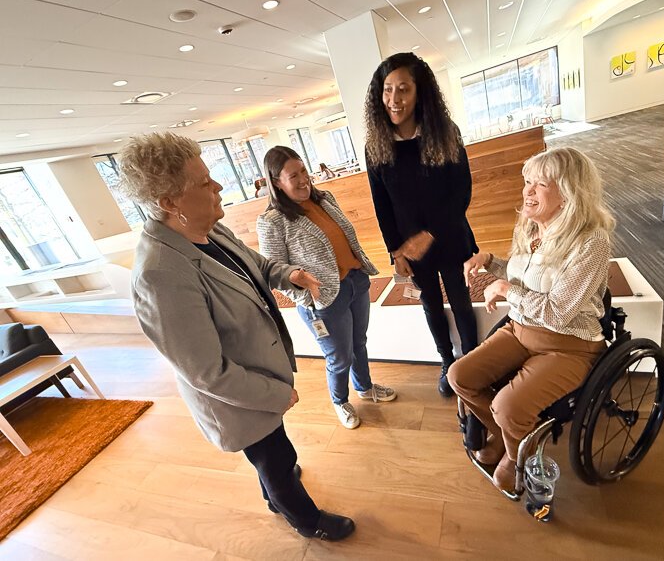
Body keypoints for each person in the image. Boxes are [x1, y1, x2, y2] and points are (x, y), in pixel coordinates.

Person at [119, 132, 355, 541]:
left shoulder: (209, 229)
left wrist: (288, 274)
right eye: (204, 182)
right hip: (237, 396)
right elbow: (207, 372)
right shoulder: (159, 275)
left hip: (257, 375)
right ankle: (305, 519)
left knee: (274, 454)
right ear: (169, 202)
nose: (219, 187)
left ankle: (274, 493)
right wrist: (274, 394)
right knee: (275, 456)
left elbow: (257, 266)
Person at [447, 146, 615, 498]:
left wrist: (506, 289)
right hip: (520, 329)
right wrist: (491, 261)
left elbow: (558, 312)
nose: (527, 191)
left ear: (570, 191)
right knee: (459, 376)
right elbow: (527, 275)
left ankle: (514, 451)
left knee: (507, 406)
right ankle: (513, 441)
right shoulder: (530, 226)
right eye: (527, 181)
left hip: (568, 344)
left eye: (540, 184)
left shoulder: (592, 241)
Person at [256, 146, 396, 430]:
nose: (303, 179)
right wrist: (307, 297)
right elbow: (272, 274)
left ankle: (365, 387)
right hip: (323, 300)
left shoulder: (325, 199)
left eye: (303, 171)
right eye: (292, 176)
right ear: (276, 183)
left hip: (355, 281)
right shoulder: (272, 221)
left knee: (359, 343)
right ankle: (339, 400)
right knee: (339, 356)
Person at [364, 52, 478, 397]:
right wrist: (395, 251)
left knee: (460, 298)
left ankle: (472, 363)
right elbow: (382, 205)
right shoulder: (376, 147)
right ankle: (447, 362)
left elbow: (461, 192)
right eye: (387, 91)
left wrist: (429, 235)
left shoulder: (444, 133)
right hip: (410, 246)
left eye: (403, 90)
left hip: (449, 235)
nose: (394, 100)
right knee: (430, 303)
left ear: (420, 92)